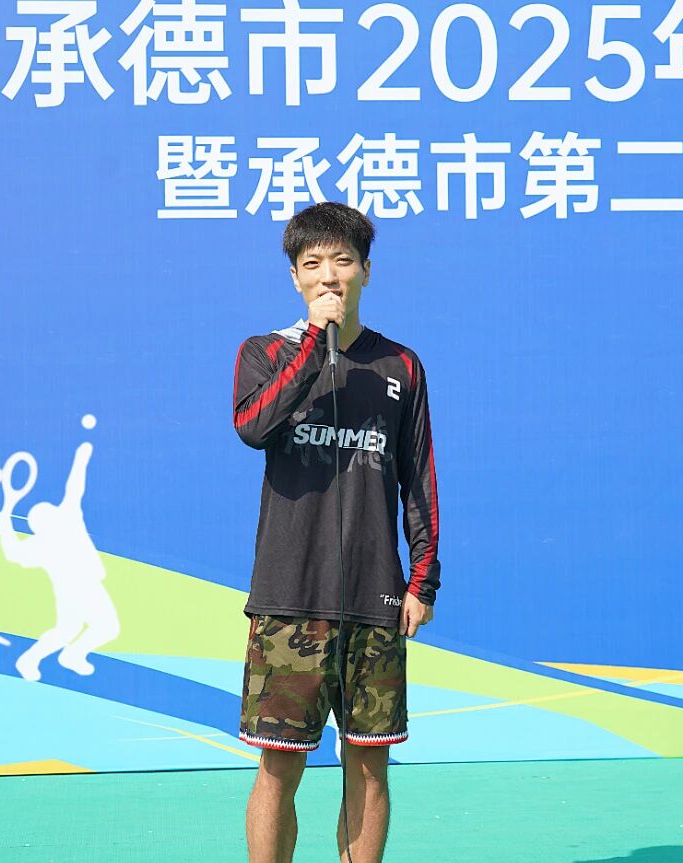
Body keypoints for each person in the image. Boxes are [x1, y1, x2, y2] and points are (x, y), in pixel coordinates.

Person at [231, 201, 441, 863]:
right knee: (279, 765)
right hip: (289, 598)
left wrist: (422, 580)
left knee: (369, 765)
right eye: (313, 263)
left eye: (343, 261)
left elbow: (419, 477)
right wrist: (311, 348)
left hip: (375, 601)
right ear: (295, 276)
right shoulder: (265, 353)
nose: (330, 275)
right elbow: (253, 427)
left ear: (366, 272)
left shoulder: (400, 365)